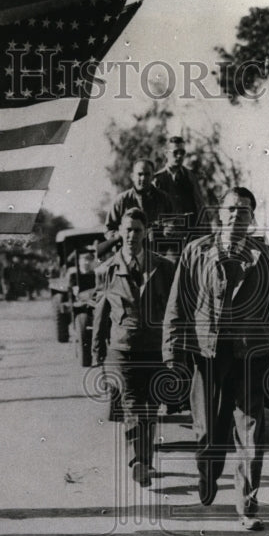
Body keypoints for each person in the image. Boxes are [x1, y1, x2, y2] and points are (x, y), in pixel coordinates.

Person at [163, 187, 269, 530]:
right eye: (230, 209)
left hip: (251, 354)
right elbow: (176, 304)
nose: (235, 216)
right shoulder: (195, 252)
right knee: (208, 434)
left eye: (244, 211)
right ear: (219, 213)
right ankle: (207, 473)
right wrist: (171, 352)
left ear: (252, 217)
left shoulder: (267, 257)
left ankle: (247, 507)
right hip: (207, 354)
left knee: (252, 435)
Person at [92, 209, 176, 487]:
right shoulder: (106, 270)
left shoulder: (163, 267)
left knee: (150, 409)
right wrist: (97, 354)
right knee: (132, 407)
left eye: (137, 230)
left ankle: (144, 462)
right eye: (127, 230)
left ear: (146, 232)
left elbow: (174, 310)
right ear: (119, 233)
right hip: (121, 349)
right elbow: (100, 314)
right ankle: (137, 461)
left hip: (154, 350)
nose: (132, 235)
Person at [153, 135, 206, 260]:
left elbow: (200, 206)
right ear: (166, 153)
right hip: (166, 242)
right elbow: (151, 213)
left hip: (191, 238)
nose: (179, 156)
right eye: (175, 152)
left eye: (182, 152)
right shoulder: (157, 180)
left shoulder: (190, 177)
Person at [104, 158, 176, 243]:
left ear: (153, 177)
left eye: (147, 174)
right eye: (140, 174)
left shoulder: (164, 199)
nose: (143, 178)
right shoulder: (121, 200)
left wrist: (168, 231)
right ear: (132, 177)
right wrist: (125, 234)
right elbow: (109, 230)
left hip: (156, 250)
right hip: (129, 250)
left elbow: (173, 223)